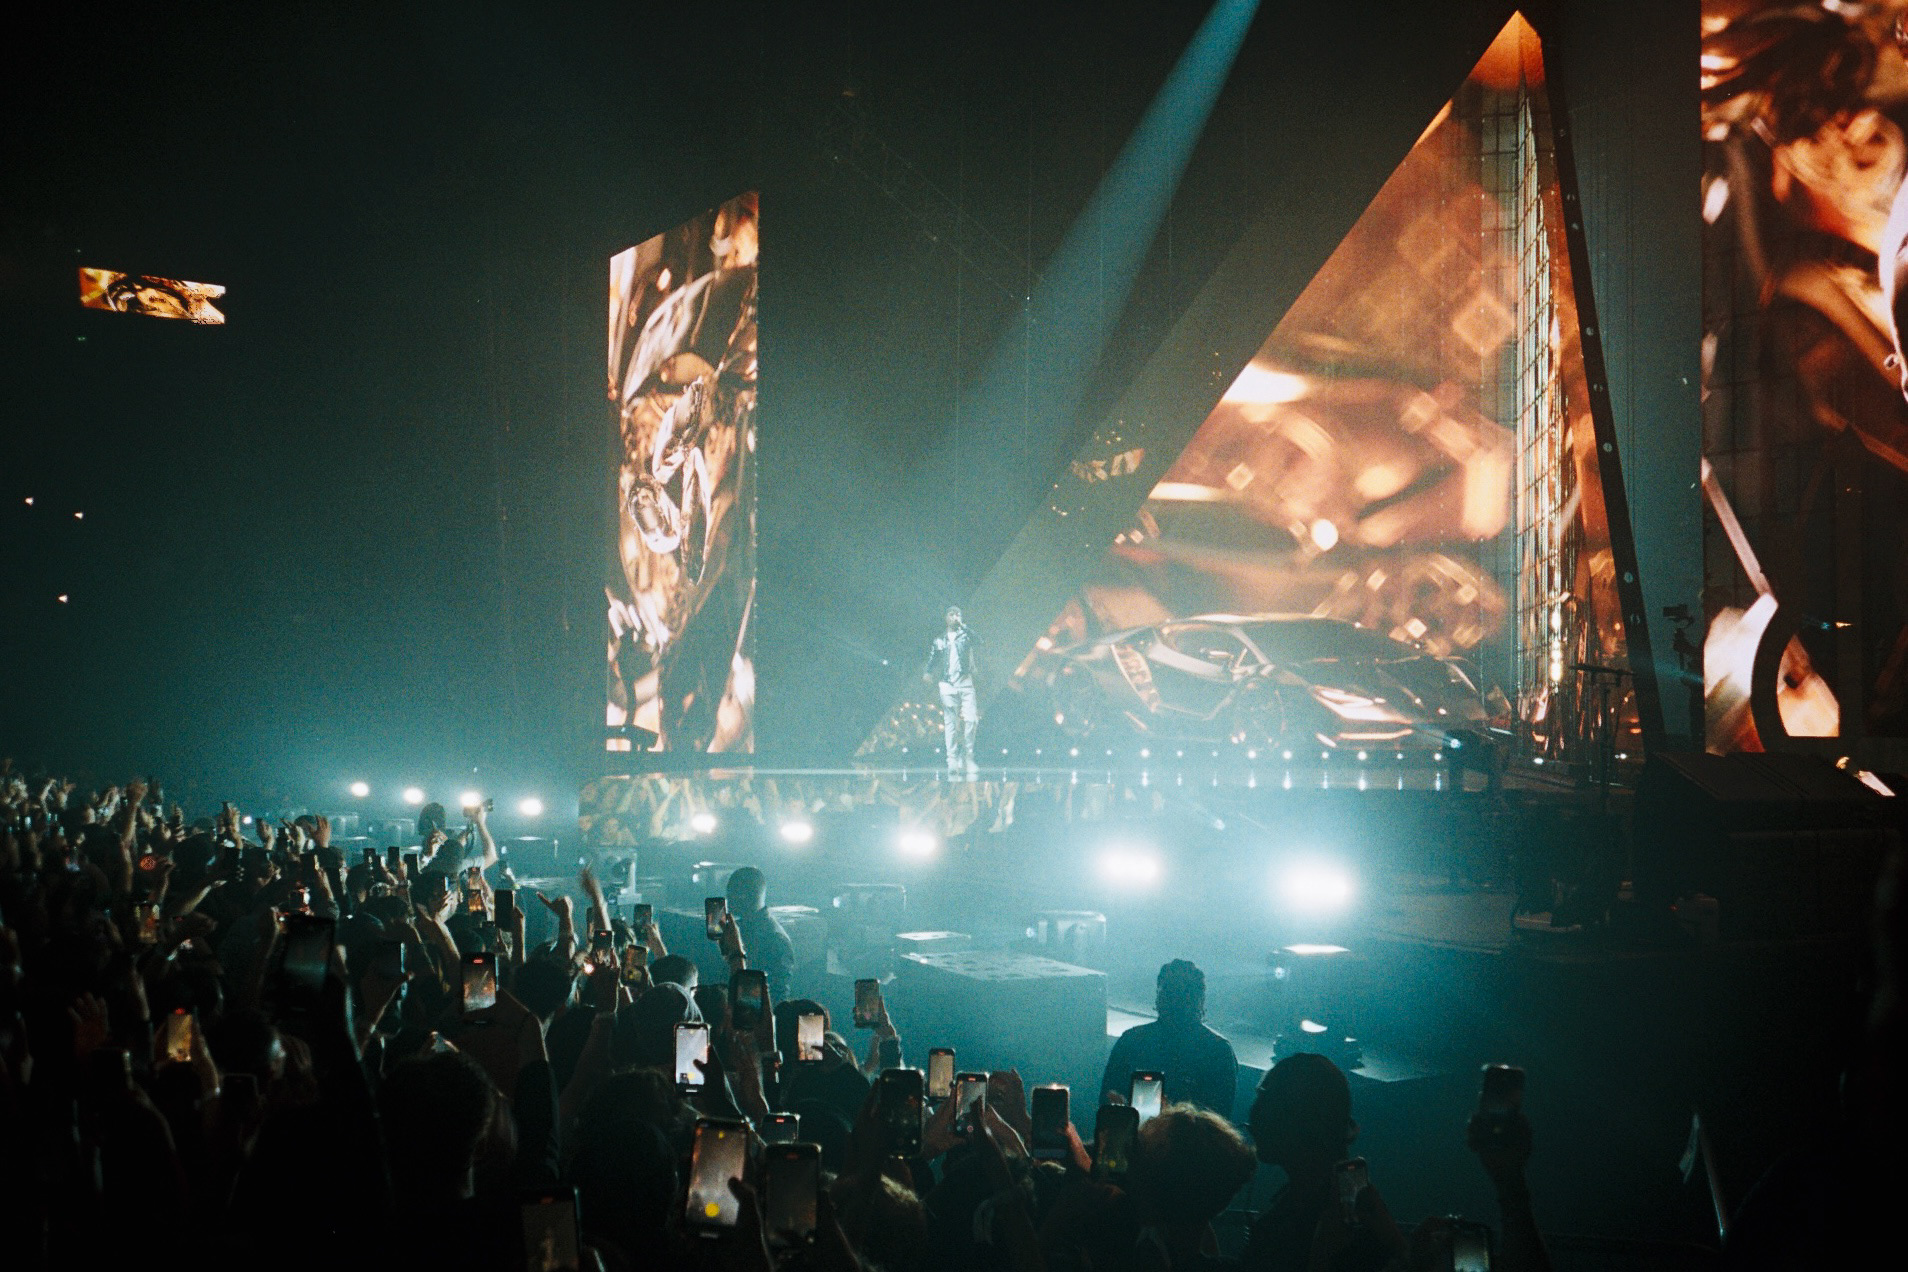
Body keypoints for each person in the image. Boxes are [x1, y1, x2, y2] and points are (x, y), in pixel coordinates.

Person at [1241, 1053, 1403, 1272]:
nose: (1254, 1116)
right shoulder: (1351, 1208)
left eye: (1265, 1100)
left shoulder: (1336, 1220)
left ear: (1305, 1120)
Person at [1100, 960, 1239, 1120]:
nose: (1175, 999)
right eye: (1169, 991)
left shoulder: (1218, 1051)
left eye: (1183, 992)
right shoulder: (1219, 1049)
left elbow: (1216, 1118)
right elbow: (1108, 1100)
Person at [923, 604, 980, 779]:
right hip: (947, 684)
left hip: (965, 681)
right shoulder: (939, 640)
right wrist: (927, 672)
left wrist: (964, 627)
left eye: (958, 614)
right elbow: (933, 658)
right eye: (951, 614)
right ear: (946, 618)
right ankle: (952, 760)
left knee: (971, 719)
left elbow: (979, 641)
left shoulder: (966, 636)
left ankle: (968, 756)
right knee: (951, 723)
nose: (954, 617)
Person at [724, 865, 795, 1000]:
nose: (727, 899)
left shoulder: (774, 939)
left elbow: (777, 995)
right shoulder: (742, 928)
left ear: (742, 896)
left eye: (730, 893)